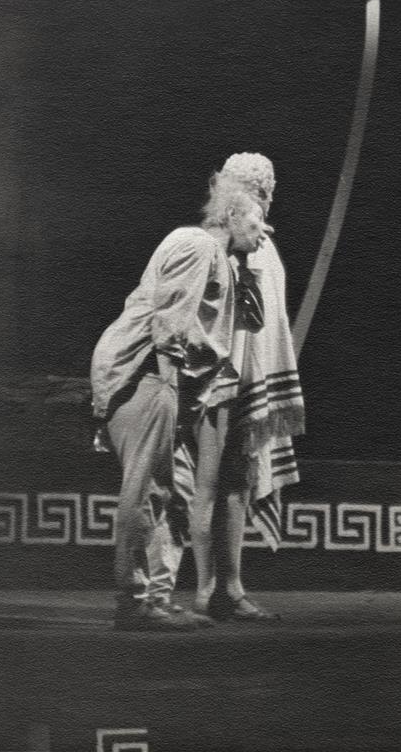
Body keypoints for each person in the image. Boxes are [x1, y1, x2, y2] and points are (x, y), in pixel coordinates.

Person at [90, 183, 270, 631]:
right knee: (149, 487)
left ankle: (157, 597)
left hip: (170, 384)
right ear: (230, 215)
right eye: (257, 220)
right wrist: (168, 389)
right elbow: (170, 318)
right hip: (149, 374)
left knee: (180, 491)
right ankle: (133, 602)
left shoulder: (222, 259)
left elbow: (249, 322)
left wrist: (244, 270)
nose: (264, 230)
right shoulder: (196, 244)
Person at [186, 153, 305, 621]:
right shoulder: (207, 245)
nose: (265, 202)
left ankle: (230, 588)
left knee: (238, 480)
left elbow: (267, 323)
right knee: (208, 483)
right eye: (259, 192)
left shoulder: (263, 247)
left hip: (250, 383)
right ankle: (204, 588)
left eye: (267, 193)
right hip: (215, 380)